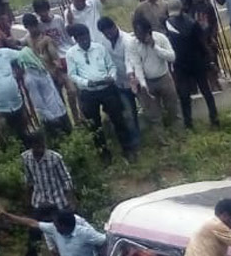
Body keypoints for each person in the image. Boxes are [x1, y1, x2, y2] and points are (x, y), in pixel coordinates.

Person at [65, 24, 135, 162]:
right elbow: (72, 75)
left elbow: (111, 66)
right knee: (94, 126)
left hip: (107, 89)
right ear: (76, 39)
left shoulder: (99, 48)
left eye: (86, 36)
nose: (85, 40)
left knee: (118, 119)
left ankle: (128, 150)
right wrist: (86, 83)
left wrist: (111, 77)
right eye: (81, 38)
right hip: (89, 93)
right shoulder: (71, 54)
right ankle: (104, 154)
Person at [165, 0, 219, 129]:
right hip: (195, 62)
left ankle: (190, 124)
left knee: (186, 94)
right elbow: (202, 44)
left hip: (182, 64)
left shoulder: (168, 24)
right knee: (204, 91)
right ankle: (213, 119)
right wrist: (208, 58)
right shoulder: (192, 23)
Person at [4, 208, 106, 256]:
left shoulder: (86, 233)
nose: (54, 226)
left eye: (56, 224)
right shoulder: (54, 229)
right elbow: (33, 223)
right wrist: (10, 217)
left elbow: (105, 240)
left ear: (64, 226)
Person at [16, 18, 71, 136]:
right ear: (26, 27)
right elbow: (16, 45)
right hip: (37, 76)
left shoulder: (46, 40)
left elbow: (56, 59)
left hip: (50, 75)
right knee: (44, 104)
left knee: (58, 103)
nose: (32, 29)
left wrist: (58, 73)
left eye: (34, 26)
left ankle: (65, 129)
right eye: (29, 27)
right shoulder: (27, 40)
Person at [128, 15, 178, 141]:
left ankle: (178, 135)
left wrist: (154, 46)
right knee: (154, 115)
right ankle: (163, 141)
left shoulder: (160, 38)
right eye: (136, 33)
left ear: (148, 32)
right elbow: (137, 65)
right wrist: (143, 85)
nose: (138, 37)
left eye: (141, 34)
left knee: (173, 108)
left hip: (164, 77)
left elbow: (171, 57)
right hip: (148, 81)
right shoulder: (133, 44)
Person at [95, 16, 141, 152]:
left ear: (114, 26)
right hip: (119, 83)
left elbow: (129, 61)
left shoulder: (127, 40)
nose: (108, 35)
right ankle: (135, 141)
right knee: (129, 112)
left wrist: (132, 77)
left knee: (145, 106)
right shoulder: (104, 41)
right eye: (105, 33)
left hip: (134, 79)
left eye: (109, 31)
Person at [21, 132, 75, 214]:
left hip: (58, 201)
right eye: (38, 145)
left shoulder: (55, 158)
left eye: (43, 144)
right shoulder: (26, 158)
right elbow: (29, 180)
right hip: (38, 201)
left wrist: (71, 202)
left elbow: (66, 180)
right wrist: (27, 201)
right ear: (31, 145)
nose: (41, 147)